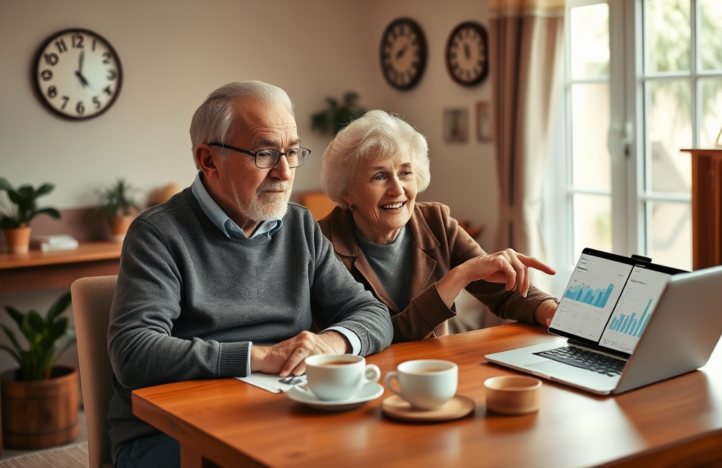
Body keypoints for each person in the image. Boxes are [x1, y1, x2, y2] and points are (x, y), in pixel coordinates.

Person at [107, 82, 393, 468]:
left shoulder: (299, 225)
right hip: (170, 431)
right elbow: (134, 352)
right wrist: (258, 357)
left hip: (280, 412)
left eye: (292, 152)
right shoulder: (158, 233)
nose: (284, 171)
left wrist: (331, 344)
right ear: (208, 160)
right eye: (264, 154)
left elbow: (372, 313)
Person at [319, 110, 559, 344]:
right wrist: (460, 276)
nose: (397, 189)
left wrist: (549, 309)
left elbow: (502, 291)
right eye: (379, 176)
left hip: (437, 372)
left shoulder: (436, 221)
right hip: (369, 378)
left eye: (405, 173)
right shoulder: (322, 243)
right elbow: (379, 336)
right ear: (347, 192)